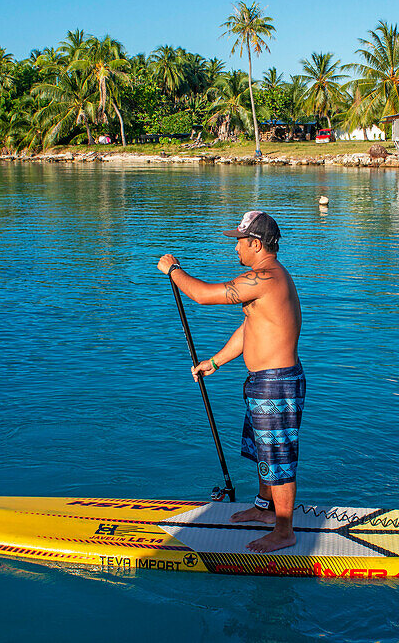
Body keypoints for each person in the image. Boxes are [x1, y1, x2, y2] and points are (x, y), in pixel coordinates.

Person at [157, 211, 303, 553]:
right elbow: (250, 328)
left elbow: (204, 296)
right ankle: (265, 510)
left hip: (277, 383)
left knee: (278, 455)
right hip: (263, 382)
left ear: (255, 243)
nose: (235, 246)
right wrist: (214, 362)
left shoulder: (267, 278)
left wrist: (174, 270)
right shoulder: (262, 280)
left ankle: (284, 530)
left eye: (239, 240)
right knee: (263, 450)